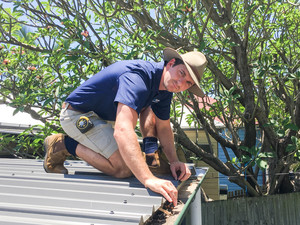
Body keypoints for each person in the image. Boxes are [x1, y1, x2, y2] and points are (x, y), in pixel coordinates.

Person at [43, 47, 207, 206]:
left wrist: (173, 161)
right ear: (171, 63)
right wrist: (148, 179)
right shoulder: (138, 78)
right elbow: (123, 130)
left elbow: (164, 127)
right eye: (181, 73)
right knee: (122, 168)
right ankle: (63, 144)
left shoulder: (164, 88)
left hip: (102, 118)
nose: (180, 83)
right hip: (77, 115)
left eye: (187, 82)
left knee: (148, 106)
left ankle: (151, 156)